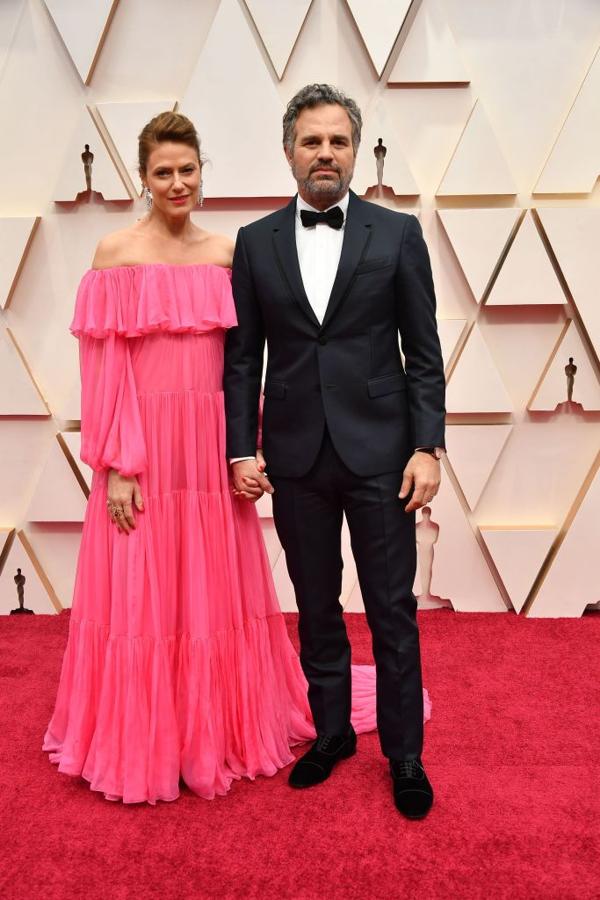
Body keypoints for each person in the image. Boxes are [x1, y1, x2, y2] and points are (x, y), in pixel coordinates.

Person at [44, 111, 387, 804]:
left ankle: (211, 732)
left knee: (210, 597)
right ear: (142, 179)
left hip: (208, 455)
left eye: (187, 169)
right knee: (144, 601)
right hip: (143, 454)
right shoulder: (115, 255)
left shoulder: (229, 256)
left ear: (204, 173)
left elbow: (246, 364)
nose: (177, 182)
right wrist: (116, 465)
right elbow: (104, 375)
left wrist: (247, 447)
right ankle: (148, 739)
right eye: (163, 172)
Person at [225, 84, 445, 819]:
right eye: (312, 141)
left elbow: (424, 352)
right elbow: (242, 358)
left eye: (338, 141)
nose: (325, 153)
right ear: (290, 151)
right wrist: (239, 449)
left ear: (355, 150)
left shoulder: (398, 234)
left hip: (383, 455)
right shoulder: (255, 244)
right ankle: (330, 734)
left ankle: (405, 753)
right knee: (316, 607)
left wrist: (428, 446)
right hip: (293, 455)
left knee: (391, 609)